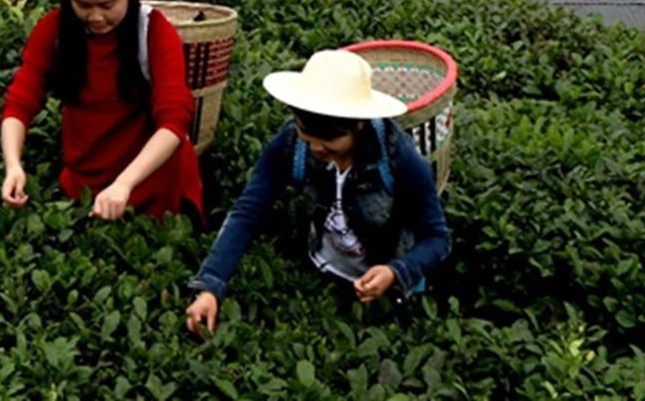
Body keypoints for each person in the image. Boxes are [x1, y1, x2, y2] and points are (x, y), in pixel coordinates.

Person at [183, 50, 450, 337]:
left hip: (386, 293)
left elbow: (438, 239)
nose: (316, 148)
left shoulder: (400, 159)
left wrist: (396, 272)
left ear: (358, 124)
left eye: (330, 140)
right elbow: (247, 212)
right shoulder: (290, 144)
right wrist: (210, 285)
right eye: (306, 133)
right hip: (322, 274)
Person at [0, 0, 203, 222]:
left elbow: (174, 120)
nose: (95, 16)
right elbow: (20, 101)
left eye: (108, 5)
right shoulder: (54, 31)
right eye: (82, 5)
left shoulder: (154, 31)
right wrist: (13, 166)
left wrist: (124, 184)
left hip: (154, 183)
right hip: (83, 183)